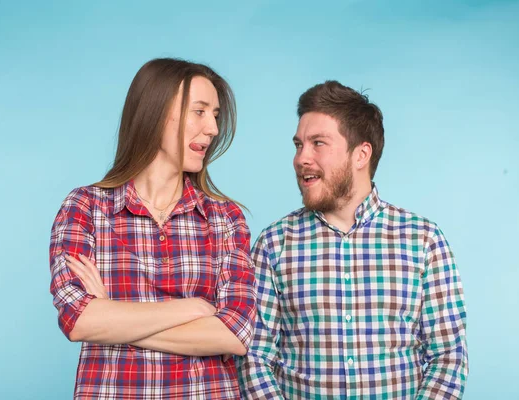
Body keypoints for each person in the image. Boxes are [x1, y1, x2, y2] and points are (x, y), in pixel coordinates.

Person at [237, 81, 468, 399]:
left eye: (318, 143)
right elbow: (255, 358)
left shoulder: (424, 241)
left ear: (361, 155)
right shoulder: (274, 244)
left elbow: (448, 358)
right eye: (298, 145)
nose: (301, 158)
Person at [49, 58, 256, 399]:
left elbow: (235, 334)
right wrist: (192, 307)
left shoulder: (225, 218)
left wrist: (113, 318)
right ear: (156, 111)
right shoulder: (85, 208)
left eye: (215, 115)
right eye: (199, 111)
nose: (213, 129)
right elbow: (79, 320)